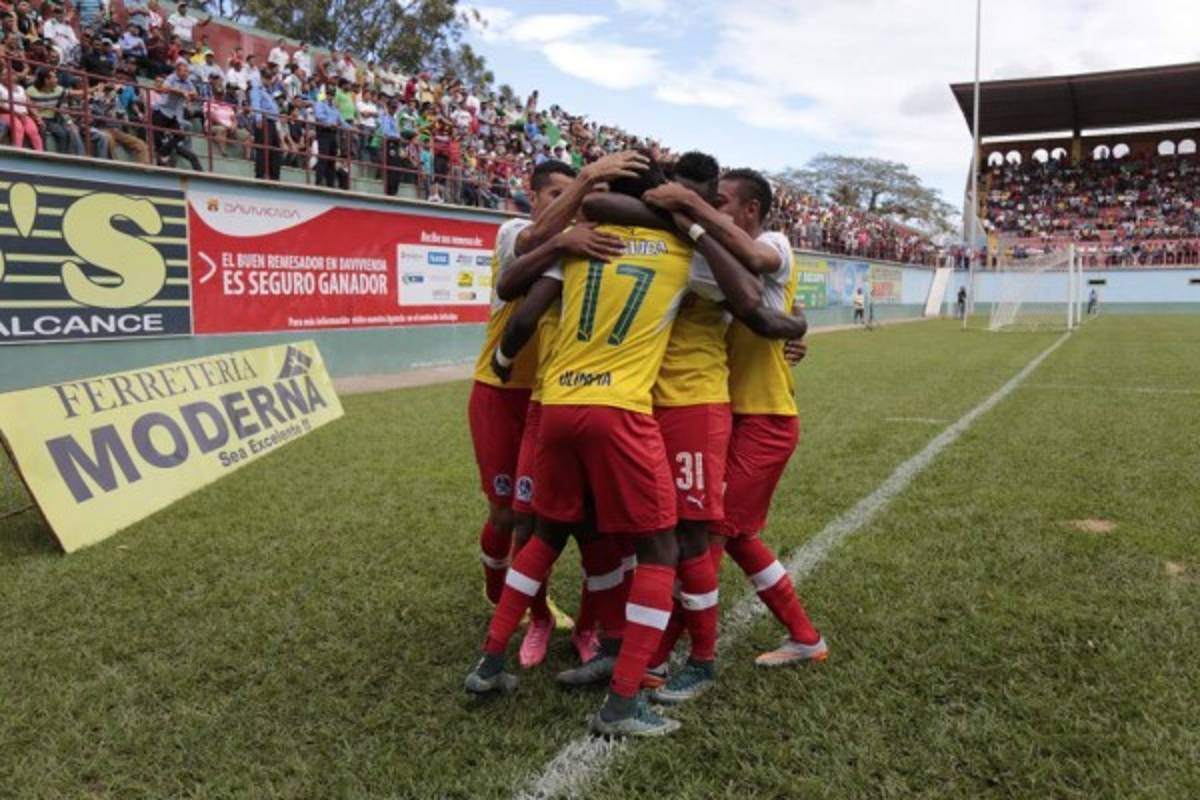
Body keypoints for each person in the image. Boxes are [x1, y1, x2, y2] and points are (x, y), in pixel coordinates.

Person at [151, 58, 201, 169]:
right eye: (184, 71)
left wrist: (190, 94)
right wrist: (181, 92)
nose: (186, 73)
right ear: (177, 71)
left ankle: (163, 153)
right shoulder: (171, 78)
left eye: (187, 71)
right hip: (162, 111)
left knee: (180, 135)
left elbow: (195, 94)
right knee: (158, 137)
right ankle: (160, 162)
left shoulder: (187, 81)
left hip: (174, 114)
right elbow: (164, 88)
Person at [249, 69, 281, 180]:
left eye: (270, 78)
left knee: (276, 149)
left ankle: (274, 176)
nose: (269, 80)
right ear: (262, 78)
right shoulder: (257, 89)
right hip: (264, 120)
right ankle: (260, 175)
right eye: (267, 78)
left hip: (271, 121)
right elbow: (256, 104)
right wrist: (258, 119)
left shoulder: (268, 91)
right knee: (263, 149)